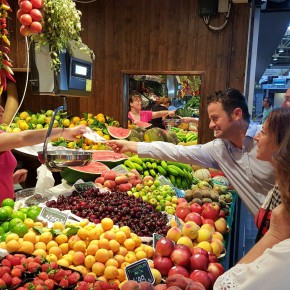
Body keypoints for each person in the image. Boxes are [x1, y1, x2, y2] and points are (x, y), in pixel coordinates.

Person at [108, 88, 275, 216]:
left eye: (215, 118)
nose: (210, 125)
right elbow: (177, 152)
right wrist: (131, 146)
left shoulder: (274, 139)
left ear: (237, 114)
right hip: (266, 229)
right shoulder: (218, 149)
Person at [214, 114, 290, 289]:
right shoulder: (281, 184)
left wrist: (275, 233)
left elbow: (226, 286)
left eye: (263, 133)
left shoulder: (284, 206)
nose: (256, 137)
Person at [0, 122, 86, 204]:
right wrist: (63, 131)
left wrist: (9, 180)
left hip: (7, 206)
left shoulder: (2, 135)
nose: (2, 109)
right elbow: (22, 138)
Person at [254, 107, 290, 242]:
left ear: (281, 141)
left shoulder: (286, 194)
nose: (256, 137)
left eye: (262, 132)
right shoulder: (281, 180)